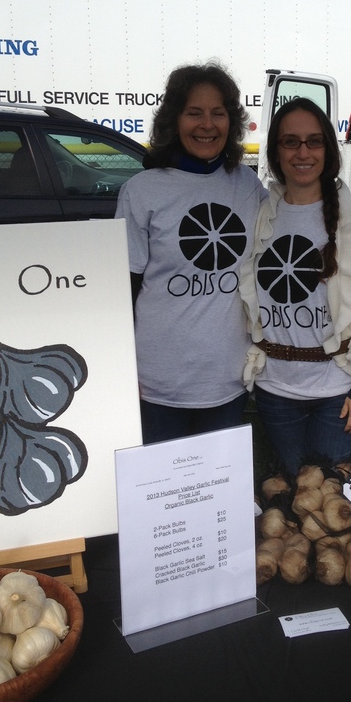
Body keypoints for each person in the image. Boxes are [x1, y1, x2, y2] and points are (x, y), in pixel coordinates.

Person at [239, 97, 351, 476]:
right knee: (293, 490)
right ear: (274, 152)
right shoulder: (258, 217)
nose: (302, 152)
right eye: (290, 141)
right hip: (276, 391)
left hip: (338, 392)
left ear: (328, 150)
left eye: (314, 141)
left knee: (332, 502)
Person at [115, 62, 266, 444]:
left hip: (227, 379)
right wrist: (120, 370)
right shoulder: (141, 191)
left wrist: (349, 218)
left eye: (218, 113)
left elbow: (293, 222)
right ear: (173, 120)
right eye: (194, 113)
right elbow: (121, 291)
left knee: (215, 496)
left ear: (232, 121)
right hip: (157, 383)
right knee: (162, 494)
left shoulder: (246, 183)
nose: (207, 124)